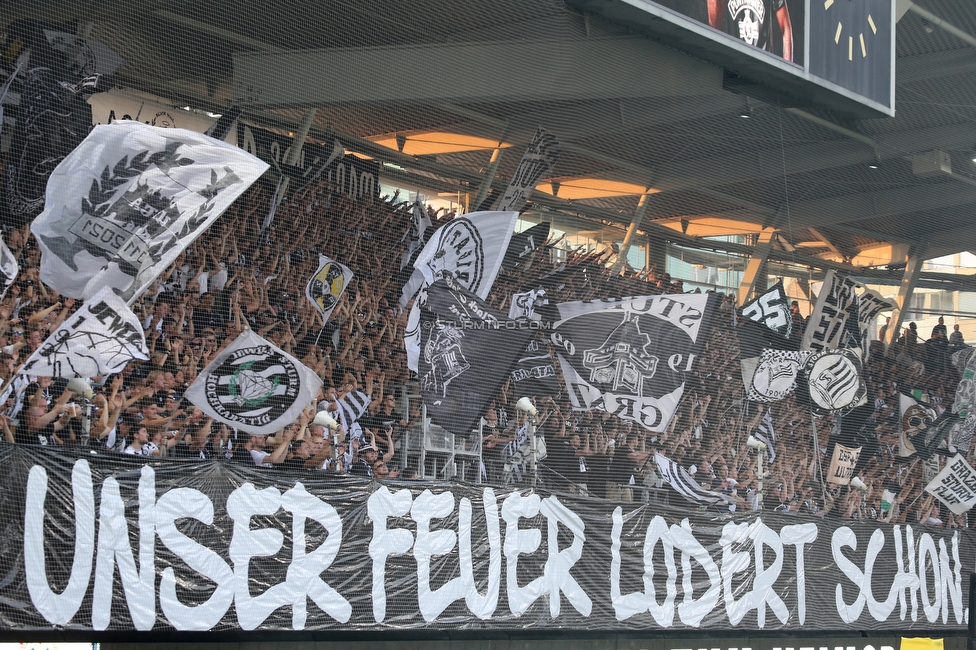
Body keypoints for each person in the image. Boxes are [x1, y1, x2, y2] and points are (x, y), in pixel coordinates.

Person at [707, 0, 793, 61]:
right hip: (734, 65)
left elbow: (786, 28)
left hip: (762, 66)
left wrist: (788, 70)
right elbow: (714, 30)